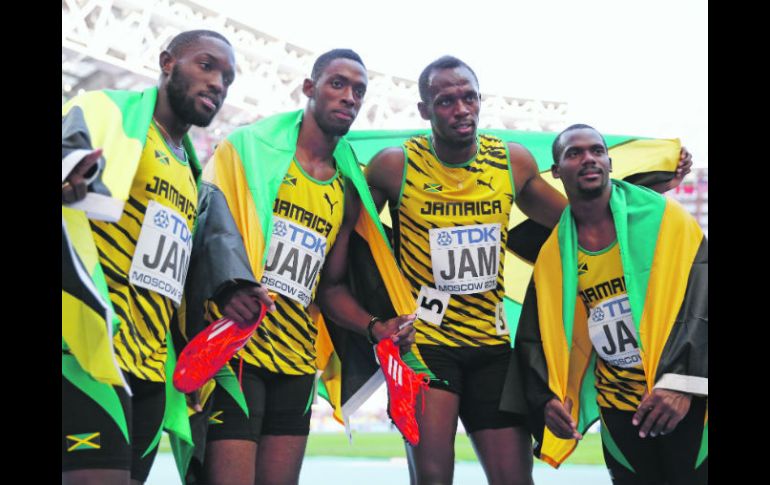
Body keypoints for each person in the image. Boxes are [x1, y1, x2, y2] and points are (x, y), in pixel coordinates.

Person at [319, 55, 693, 485]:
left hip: (493, 347)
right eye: (445, 101)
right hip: (426, 345)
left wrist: (647, 191)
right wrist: (374, 323)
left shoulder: (510, 163)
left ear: (480, 100)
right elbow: (348, 254)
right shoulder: (394, 165)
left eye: (469, 97)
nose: (461, 109)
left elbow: (579, 220)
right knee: (434, 479)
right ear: (424, 110)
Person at [184, 48, 416, 485]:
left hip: (295, 362)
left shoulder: (345, 188)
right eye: (337, 84)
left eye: (359, 91)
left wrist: (375, 327)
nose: (349, 96)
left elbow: (328, 287)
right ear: (309, 88)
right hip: (236, 350)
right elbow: (203, 233)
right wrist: (226, 290)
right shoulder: (248, 150)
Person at [62, 30, 236, 484]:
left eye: (227, 77)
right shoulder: (109, 111)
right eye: (206, 65)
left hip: (151, 367)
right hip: (91, 351)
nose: (218, 82)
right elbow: (69, 151)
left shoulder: (190, 171)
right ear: (167, 63)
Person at [513, 124, 707, 484]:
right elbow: (536, 336)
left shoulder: (668, 221)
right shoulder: (554, 255)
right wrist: (546, 398)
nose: (588, 158)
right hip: (619, 410)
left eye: (596, 151)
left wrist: (684, 384)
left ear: (609, 162)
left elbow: (703, 305)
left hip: (686, 404)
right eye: (574, 153)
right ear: (556, 171)